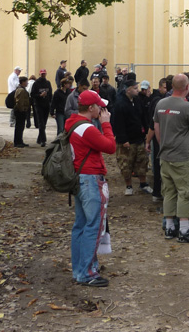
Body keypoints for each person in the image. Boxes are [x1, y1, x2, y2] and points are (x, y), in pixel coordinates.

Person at [67, 90, 116, 287]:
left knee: (80, 225)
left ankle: (80, 269)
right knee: (93, 226)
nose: (102, 109)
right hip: (90, 179)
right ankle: (87, 272)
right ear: (91, 108)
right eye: (99, 106)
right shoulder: (87, 128)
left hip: (79, 178)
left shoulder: (72, 123)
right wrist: (106, 124)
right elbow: (111, 146)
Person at [153, 74, 189, 243]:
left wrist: (163, 145)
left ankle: (169, 227)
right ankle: (184, 229)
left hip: (165, 155)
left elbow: (156, 127)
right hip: (183, 156)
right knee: (186, 192)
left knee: (169, 191)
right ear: (187, 87)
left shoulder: (160, 104)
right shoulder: (188, 107)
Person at [111, 80, 151, 195]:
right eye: (135, 88)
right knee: (126, 163)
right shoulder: (120, 104)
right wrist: (123, 139)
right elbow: (118, 123)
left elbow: (144, 117)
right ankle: (128, 186)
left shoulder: (138, 101)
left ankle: (143, 183)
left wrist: (147, 131)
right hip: (127, 140)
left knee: (142, 161)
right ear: (128, 89)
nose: (137, 90)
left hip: (139, 138)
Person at [31, 69, 53, 147]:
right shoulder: (36, 83)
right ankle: (43, 140)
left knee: (44, 123)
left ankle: (39, 138)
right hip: (39, 105)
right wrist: (40, 95)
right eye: (42, 74)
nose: (43, 75)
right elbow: (32, 94)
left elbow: (50, 94)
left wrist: (51, 104)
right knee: (41, 123)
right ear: (39, 74)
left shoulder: (48, 83)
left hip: (46, 105)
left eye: (44, 74)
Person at [13, 76, 30, 148]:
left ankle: (20, 141)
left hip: (21, 110)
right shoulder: (21, 90)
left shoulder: (21, 89)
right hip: (20, 111)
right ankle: (18, 142)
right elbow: (20, 101)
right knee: (19, 127)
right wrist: (22, 109)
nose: (27, 83)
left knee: (20, 127)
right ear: (23, 82)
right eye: (26, 81)